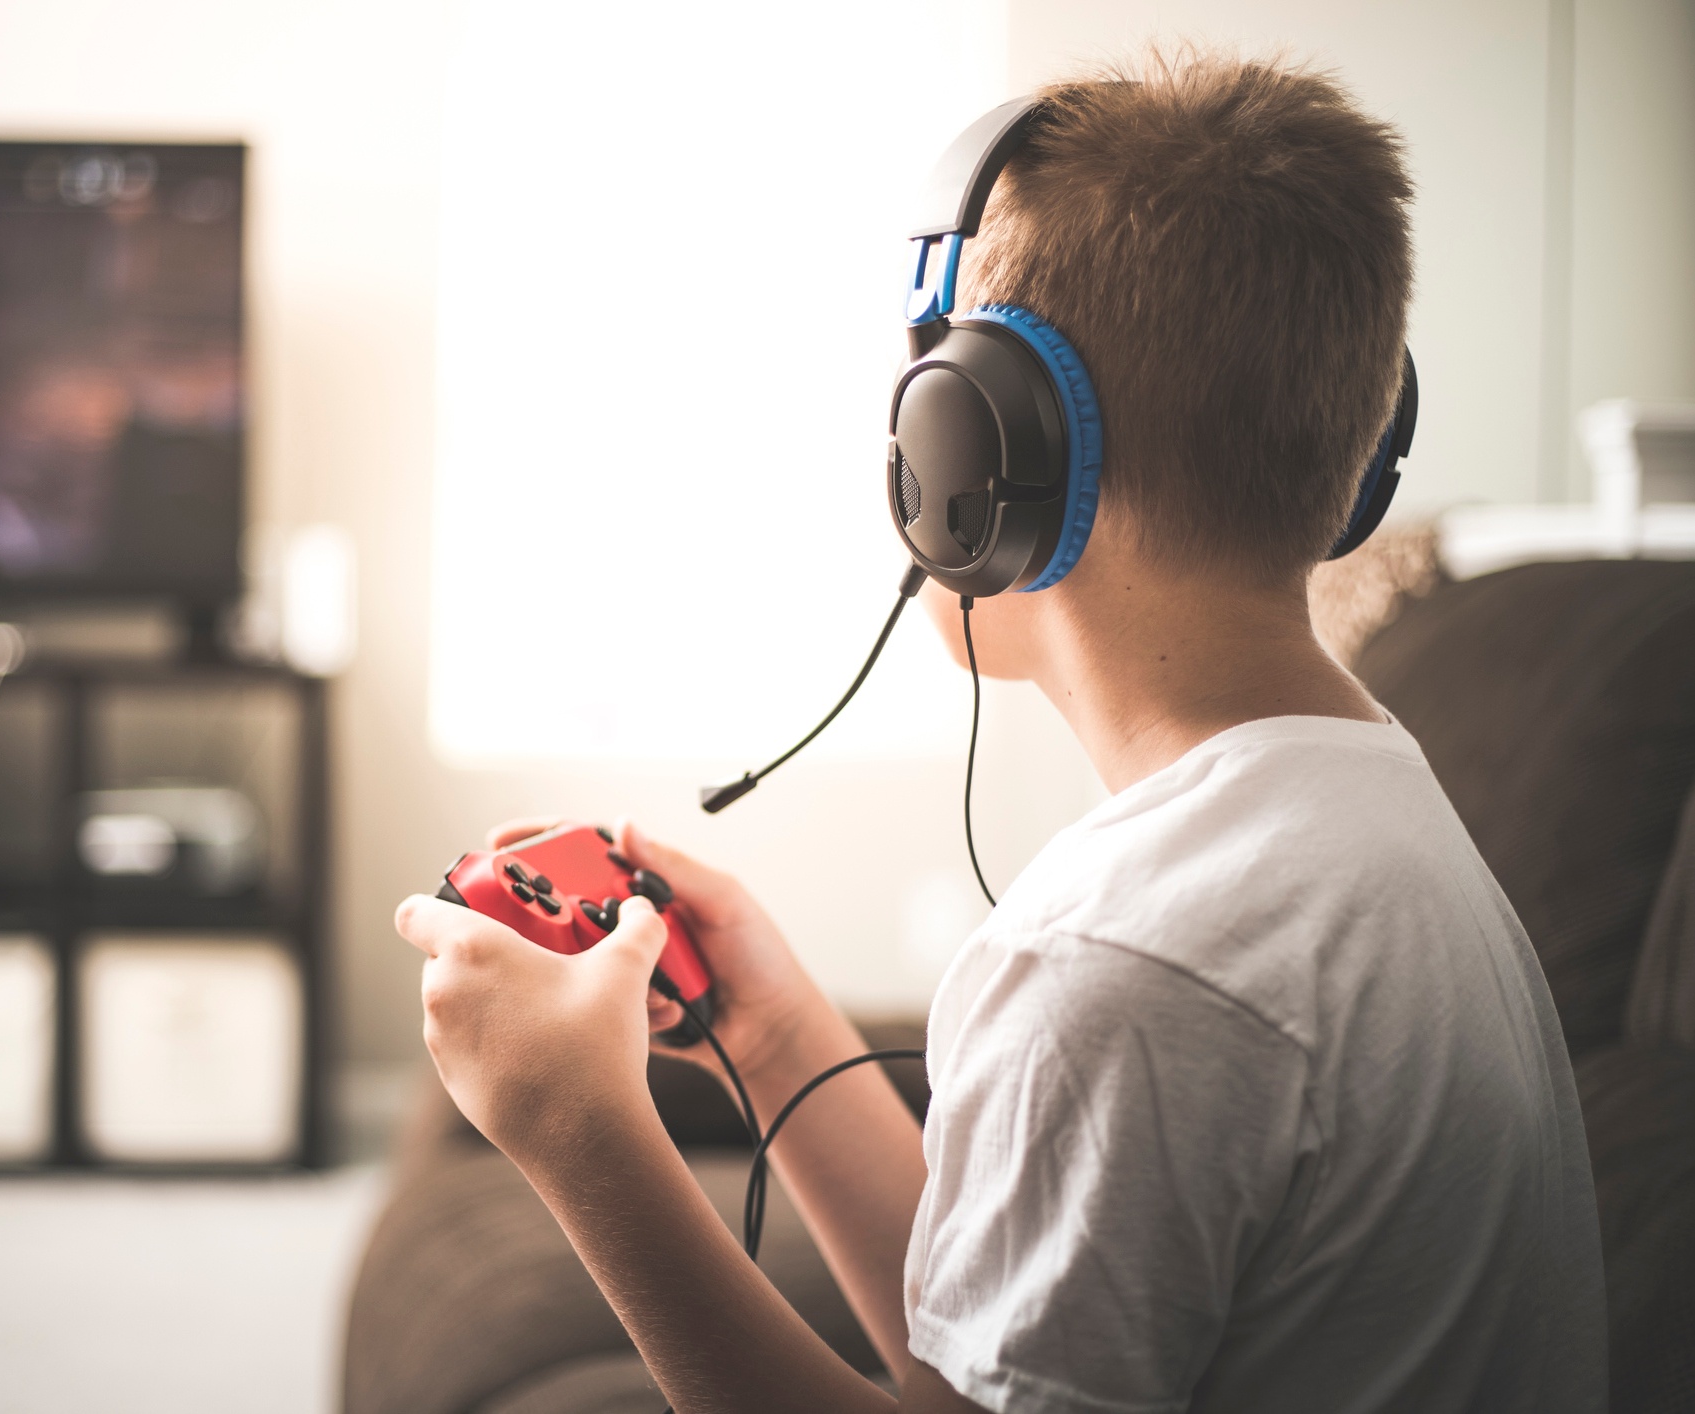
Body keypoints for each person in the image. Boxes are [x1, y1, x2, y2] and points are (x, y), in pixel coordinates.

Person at [394, 48, 1608, 1414]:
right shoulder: (1367, 817)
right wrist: (779, 1029)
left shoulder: (1127, 960)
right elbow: (1002, 1350)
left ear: (979, 459)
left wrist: (579, 1137)